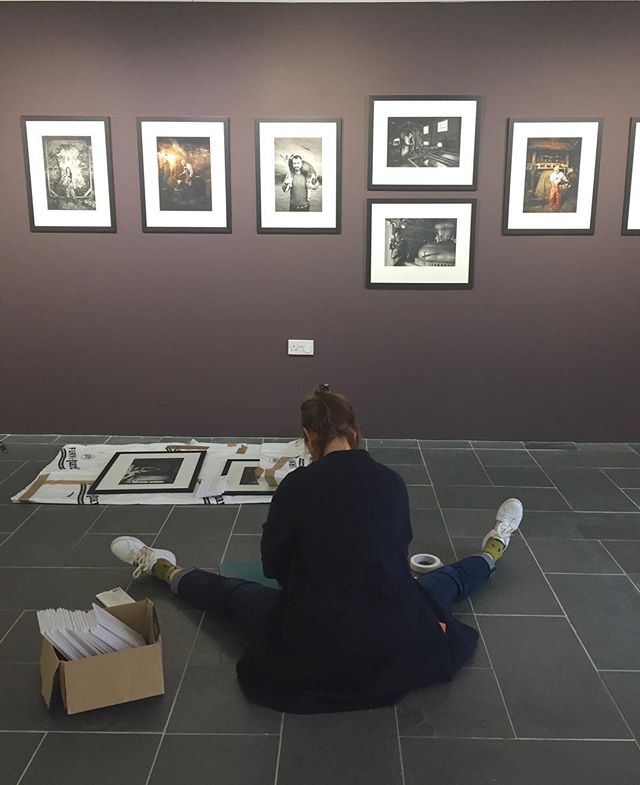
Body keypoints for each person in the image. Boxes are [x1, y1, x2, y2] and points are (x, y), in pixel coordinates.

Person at [110, 386, 524, 714]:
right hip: (393, 627)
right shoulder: (390, 481)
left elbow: (274, 567)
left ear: (308, 437)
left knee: (234, 596)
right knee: (441, 585)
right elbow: (396, 553)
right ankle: (497, 543)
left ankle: (161, 565)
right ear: (355, 431)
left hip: (314, 636)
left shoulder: (296, 488)